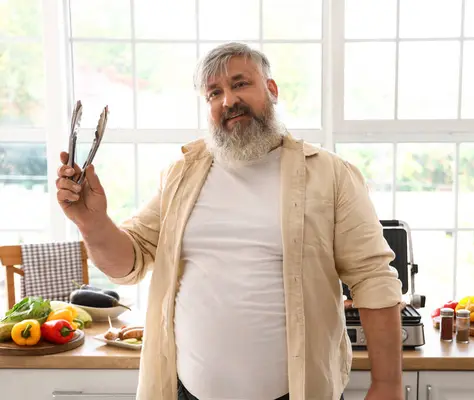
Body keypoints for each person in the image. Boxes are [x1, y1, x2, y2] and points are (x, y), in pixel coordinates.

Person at [55, 42, 404, 400]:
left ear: (271, 90)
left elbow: (373, 278)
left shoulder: (330, 174)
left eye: (240, 84)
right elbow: (127, 263)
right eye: (214, 93)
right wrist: (92, 222)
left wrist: (388, 385)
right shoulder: (181, 175)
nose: (228, 101)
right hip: (187, 392)